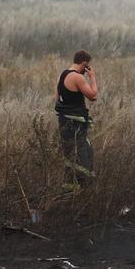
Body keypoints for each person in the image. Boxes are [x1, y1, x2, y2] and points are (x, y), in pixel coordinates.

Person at [54, 49, 98, 189]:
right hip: (75, 125)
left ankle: (71, 190)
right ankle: (83, 190)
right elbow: (93, 96)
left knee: (71, 156)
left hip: (64, 122)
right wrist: (92, 77)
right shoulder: (77, 77)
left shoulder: (63, 75)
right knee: (82, 156)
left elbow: (57, 98)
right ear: (85, 64)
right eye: (87, 67)